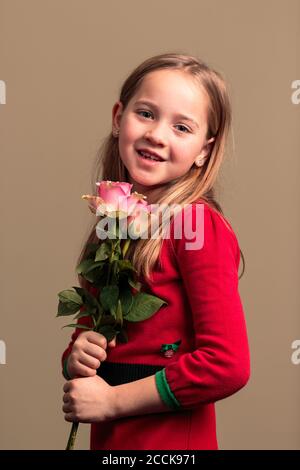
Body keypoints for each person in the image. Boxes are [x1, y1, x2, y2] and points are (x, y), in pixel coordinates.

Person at [61, 52, 250, 450]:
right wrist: (77, 353)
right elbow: (93, 332)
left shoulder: (198, 225)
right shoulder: (114, 223)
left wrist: (112, 401)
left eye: (182, 127)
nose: (157, 135)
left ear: (203, 149)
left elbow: (227, 365)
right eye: (146, 114)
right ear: (118, 118)